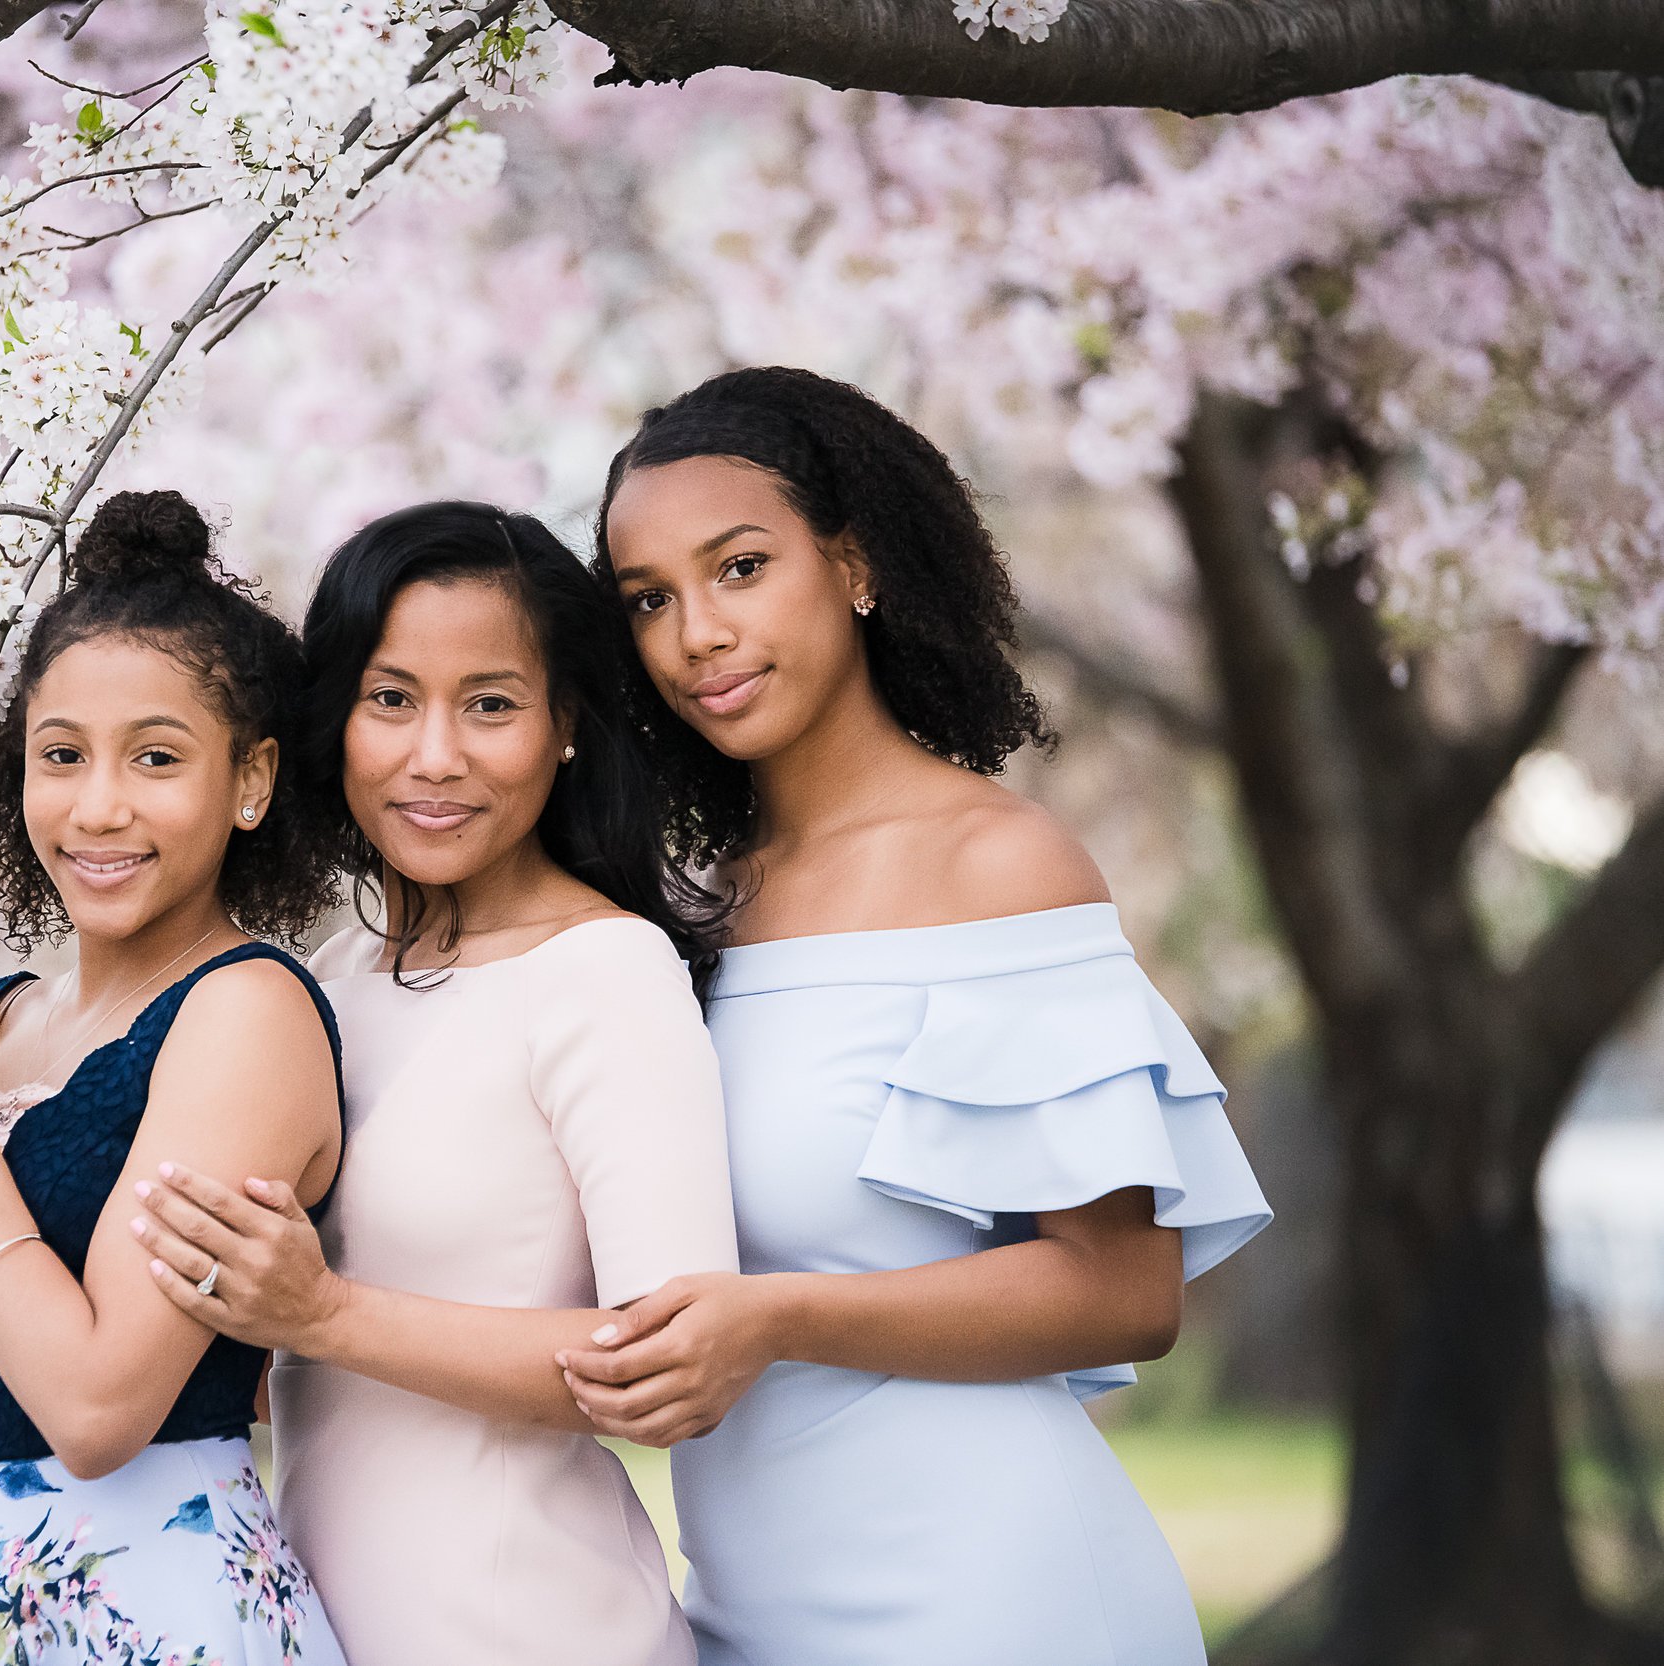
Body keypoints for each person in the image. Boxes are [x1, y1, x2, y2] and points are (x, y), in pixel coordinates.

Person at [563, 365, 1274, 1666]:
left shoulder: (995, 865)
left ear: (856, 566)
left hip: (989, 1591)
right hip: (749, 1594)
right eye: (650, 600)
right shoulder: (698, 908)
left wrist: (778, 1318)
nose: (694, 635)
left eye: (739, 568)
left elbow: (1127, 1289)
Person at [129, 502, 740, 1666]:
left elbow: (667, 1366)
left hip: (533, 1630)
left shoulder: (604, 973)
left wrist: (324, 1315)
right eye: (391, 697)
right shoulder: (320, 979)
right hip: (314, 1621)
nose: (436, 755)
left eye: (491, 704)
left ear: (566, 727)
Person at [0, 490, 352, 1666]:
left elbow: (100, 1410)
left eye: (156, 757)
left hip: (159, 1606)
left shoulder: (244, 1012)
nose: (99, 807)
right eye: (61, 756)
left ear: (249, 780)